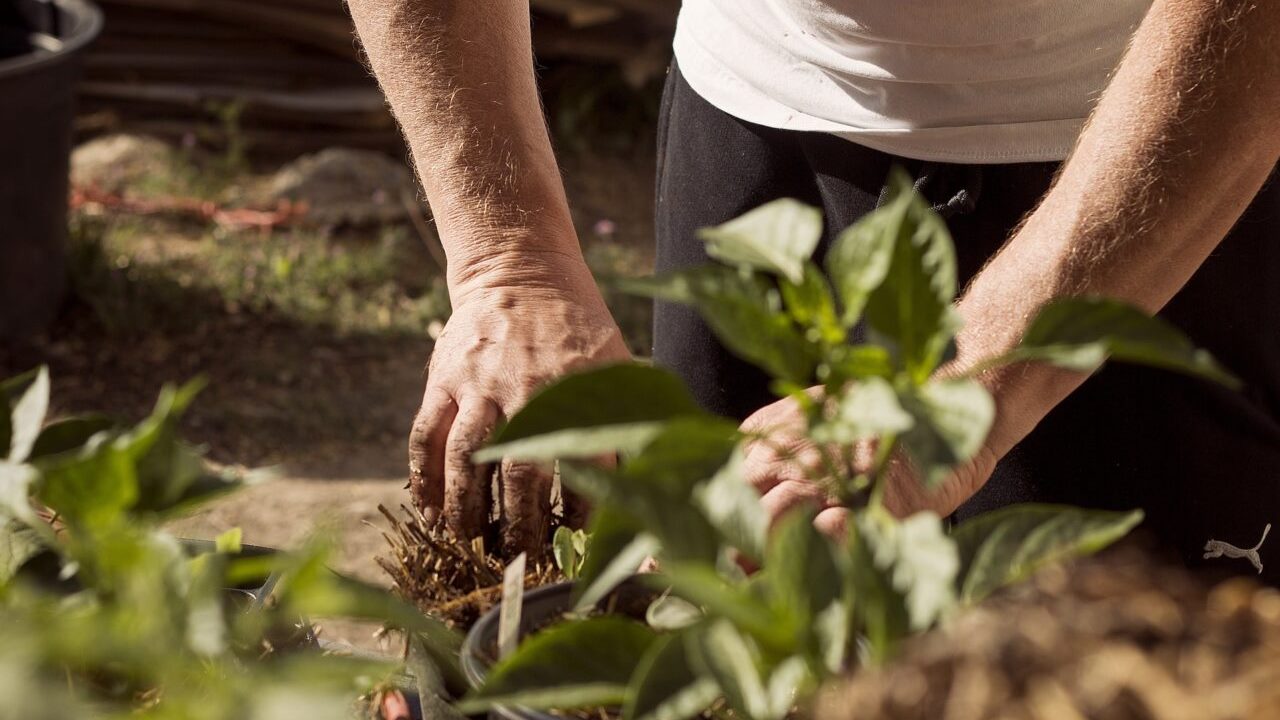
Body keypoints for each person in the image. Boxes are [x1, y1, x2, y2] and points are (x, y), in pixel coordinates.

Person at [345, 0, 1280, 578]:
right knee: (723, 633)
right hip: (751, 116)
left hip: (1145, 157)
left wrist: (969, 383)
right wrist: (511, 260)